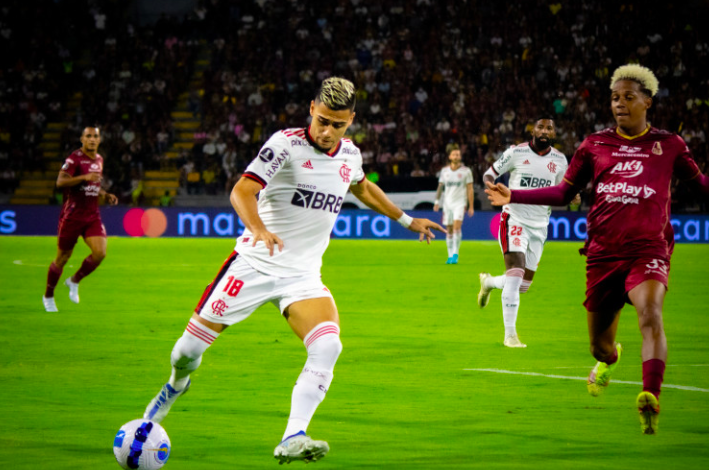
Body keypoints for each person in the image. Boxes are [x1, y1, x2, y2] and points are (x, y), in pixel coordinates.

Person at [141, 77, 445, 464]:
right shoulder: (285, 144)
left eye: (337, 124)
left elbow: (363, 188)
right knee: (186, 351)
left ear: (351, 120)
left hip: (302, 276)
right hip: (253, 264)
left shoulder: (350, 155)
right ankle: (175, 385)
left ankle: (293, 435)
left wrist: (407, 221)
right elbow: (241, 191)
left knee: (327, 345)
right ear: (311, 110)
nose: (327, 130)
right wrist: (259, 229)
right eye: (321, 120)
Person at [484, 64, 709, 434]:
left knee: (650, 314)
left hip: (649, 249)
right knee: (598, 347)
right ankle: (610, 359)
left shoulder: (669, 145)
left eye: (628, 97)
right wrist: (514, 193)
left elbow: (704, 185)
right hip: (603, 254)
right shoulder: (593, 145)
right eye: (614, 97)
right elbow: (564, 193)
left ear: (648, 101)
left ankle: (650, 396)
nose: (620, 104)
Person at [477, 116, 579, 348]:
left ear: (554, 134)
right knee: (515, 274)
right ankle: (510, 335)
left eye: (550, 128)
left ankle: (489, 282)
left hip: (539, 226)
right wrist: (491, 185)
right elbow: (490, 172)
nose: (545, 131)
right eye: (541, 127)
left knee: (523, 285)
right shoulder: (516, 153)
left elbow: (563, 190)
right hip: (514, 219)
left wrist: (573, 195)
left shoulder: (560, 160)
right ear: (533, 130)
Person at [43, 126, 118, 312]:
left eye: (95, 136)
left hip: (92, 215)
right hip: (73, 216)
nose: (92, 139)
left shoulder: (99, 159)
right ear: (82, 139)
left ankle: (74, 281)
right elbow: (60, 182)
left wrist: (104, 194)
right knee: (62, 258)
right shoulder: (74, 159)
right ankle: (48, 296)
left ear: (99, 140)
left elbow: (92, 184)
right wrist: (83, 176)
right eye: (88, 136)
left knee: (100, 253)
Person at [433, 149, 474, 264]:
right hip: (447, 204)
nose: (456, 156)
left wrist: (471, 206)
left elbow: (470, 189)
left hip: (460, 203)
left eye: (458, 154)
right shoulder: (444, 171)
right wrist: (437, 201)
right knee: (449, 230)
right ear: (450, 157)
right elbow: (440, 187)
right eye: (454, 154)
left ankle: (455, 254)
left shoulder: (466, 171)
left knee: (456, 228)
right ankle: (450, 255)